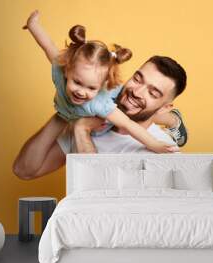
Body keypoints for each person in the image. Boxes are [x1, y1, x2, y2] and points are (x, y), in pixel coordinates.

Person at [23, 10, 176, 153]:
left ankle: (171, 119)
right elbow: (48, 45)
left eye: (91, 88)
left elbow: (128, 125)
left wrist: (155, 145)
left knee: (127, 102)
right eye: (77, 82)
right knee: (130, 97)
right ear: (68, 71)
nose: (81, 91)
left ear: (102, 85)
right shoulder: (60, 70)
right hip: (73, 113)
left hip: (104, 110)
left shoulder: (100, 103)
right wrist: (33, 25)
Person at [13, 54, 187, 180]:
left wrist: (81, 130)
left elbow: (98, 200)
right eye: (137, 79)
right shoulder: (94, 122)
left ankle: (172, 120)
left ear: (165, 107)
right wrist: (65, 111)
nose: (136, 91)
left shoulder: (165, 151)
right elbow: (24, 170)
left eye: (153, 92)